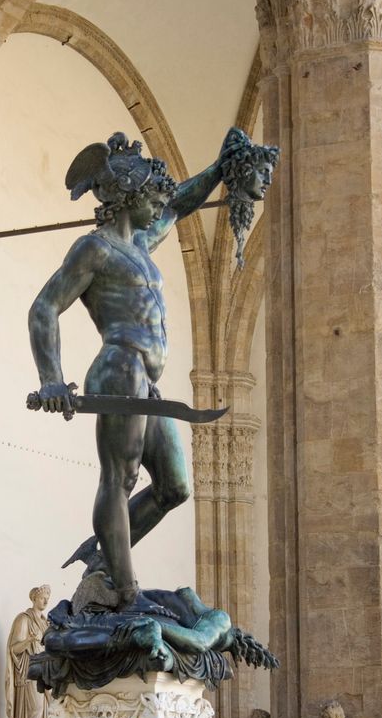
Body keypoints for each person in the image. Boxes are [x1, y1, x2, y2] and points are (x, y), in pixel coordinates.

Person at [29, 129, 275, 607]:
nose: (160, 207)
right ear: (128, 199)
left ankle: (103, 560)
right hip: (120, 369)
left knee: (174, 487)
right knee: (119, 480)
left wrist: (220, 169)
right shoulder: (94, 249)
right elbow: (44, 307)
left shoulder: (139, 244)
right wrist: (51, 379)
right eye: (152, 198)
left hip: (148, 380)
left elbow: (180, 205)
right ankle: (124, 590)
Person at [5, 584, 51, 718]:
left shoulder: (46, 624)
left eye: (47, 598)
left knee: (45, 712)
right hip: (30, 671)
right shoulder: (23, 619)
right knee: (36, 708)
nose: (45, 600)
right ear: (33, 599)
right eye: (41, 597)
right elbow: (14, 649)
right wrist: (29, 641)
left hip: (45, 672)